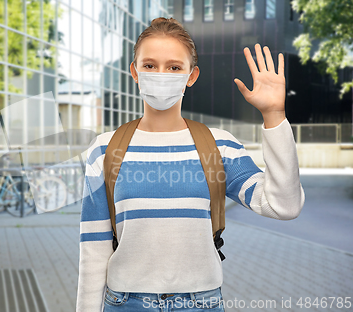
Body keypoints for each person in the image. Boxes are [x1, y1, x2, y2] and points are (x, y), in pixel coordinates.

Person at [76, 17, 305, 312]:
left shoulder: (218, 146)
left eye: (174, 67)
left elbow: (283, 206)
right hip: (124, 303)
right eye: (149, 65)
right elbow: (93, 251)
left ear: (191, 75)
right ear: (134, 72)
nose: (161, 74)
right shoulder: (104, 150)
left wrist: (274, 115)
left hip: (200, 304)